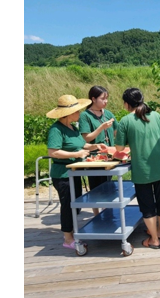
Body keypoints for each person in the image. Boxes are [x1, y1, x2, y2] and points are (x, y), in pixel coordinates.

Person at [114, 88, 160, 250]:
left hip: (143, 171)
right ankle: (159, 232)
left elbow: (119, 148)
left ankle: (154, 240)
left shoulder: (125, 121)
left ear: (127, 104)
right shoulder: (157, 116)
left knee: (147, 207)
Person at [45, 95, 108, 251]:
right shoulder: (56, 129)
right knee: (68, 205)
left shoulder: (73, 127)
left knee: (76, 205)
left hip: (75, 173)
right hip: (63, 175)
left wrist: (94, 146)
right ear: (68, 113)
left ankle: (72, 232)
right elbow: (53, 152)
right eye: (77, 110)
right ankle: (68, 238)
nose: (80, 113)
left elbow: (81, 144)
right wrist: (76, 155)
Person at [78, 85, 118, 216]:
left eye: (107, 98)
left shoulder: (108, 114)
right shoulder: (85, 116)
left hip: (109, 157)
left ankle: (107, 211)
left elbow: (117, 132)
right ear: (93, 99)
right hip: (94, 158)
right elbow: (86, 138)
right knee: (95, 187)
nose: (105, 101)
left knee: (108, 185)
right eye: (103, 98)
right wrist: (101, 128)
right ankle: (96, 214)